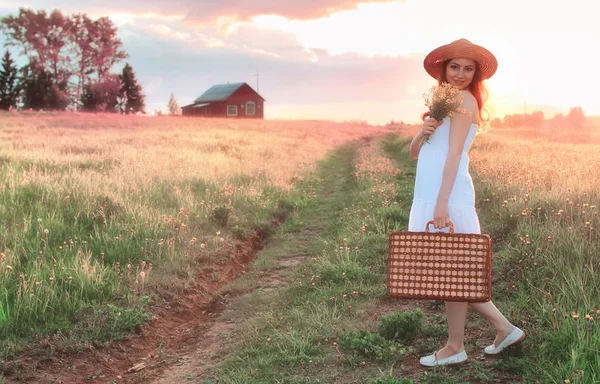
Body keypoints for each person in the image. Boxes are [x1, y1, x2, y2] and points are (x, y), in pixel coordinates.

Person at [408, 38, 526, 367]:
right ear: (444, 69)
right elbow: (415, 154)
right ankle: (494, 332)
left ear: (476, 74)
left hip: (447, 194)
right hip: (431, 191)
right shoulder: (443, 102)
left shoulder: (463, 99)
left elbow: (455, 154)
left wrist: (442, 203)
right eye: (455, 66)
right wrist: (423, 130)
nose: (460, 74)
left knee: (453, 271)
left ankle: (460, 345)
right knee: (451, 271)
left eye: (468, 68)